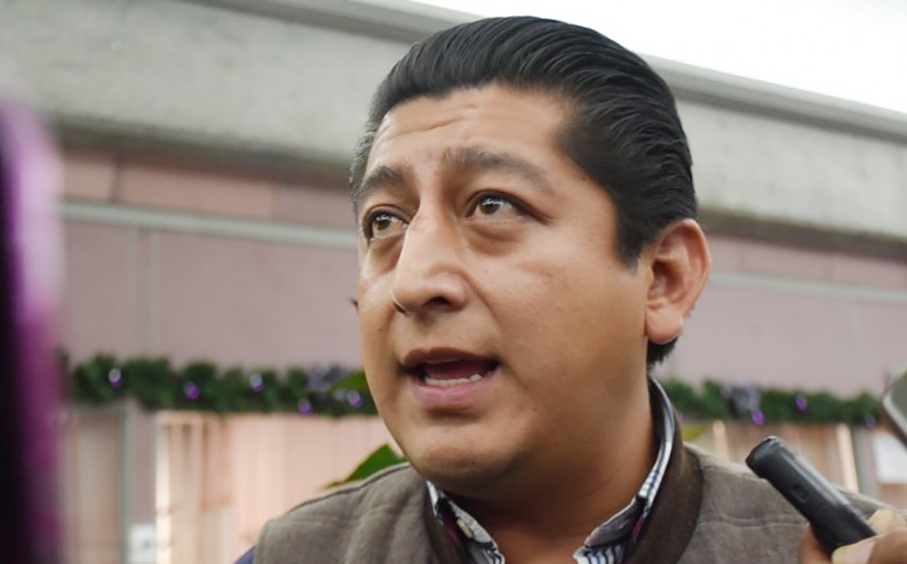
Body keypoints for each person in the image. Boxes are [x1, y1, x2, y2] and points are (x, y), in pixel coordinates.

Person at [243, 16, 906, 564]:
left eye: (493, 206)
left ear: (663, 279)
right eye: (384, 222)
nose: (412, 283)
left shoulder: (836, 551)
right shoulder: (294, 554)